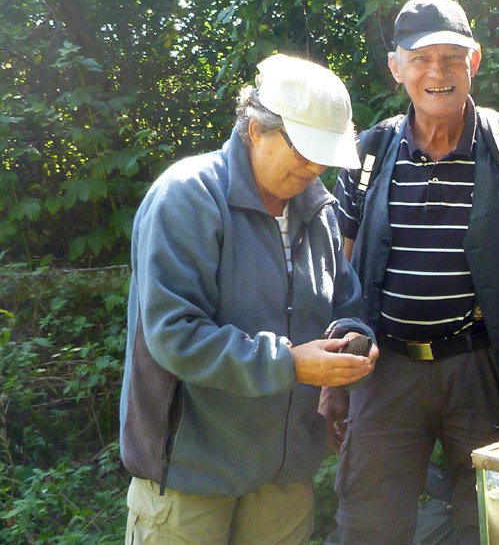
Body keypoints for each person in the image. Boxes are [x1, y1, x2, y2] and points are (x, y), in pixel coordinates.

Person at [322, 0, 499, 544]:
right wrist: (333, 369)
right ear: (397, 68)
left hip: (482, 370)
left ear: (475, 61)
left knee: (492, 525)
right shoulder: (367, 152)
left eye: (451, 57)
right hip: (383, 370)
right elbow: (340, 264)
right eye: (420, 58)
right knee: (369, 523)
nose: (436, 72)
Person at [120, 53, 379, 542]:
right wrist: (291, 364)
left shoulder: (318, 212)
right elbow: (174, 335)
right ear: (254, 129)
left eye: (324, 153)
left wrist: (351, 343)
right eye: (302, 149)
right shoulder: (189, 195)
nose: (314, 166)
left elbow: (345, 304)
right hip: (189, 475)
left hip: (283, 475)